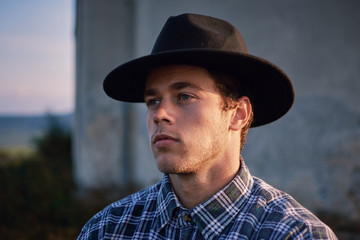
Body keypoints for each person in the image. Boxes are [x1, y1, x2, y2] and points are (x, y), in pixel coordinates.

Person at [77, 13, 337, 239]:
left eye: (185, 96)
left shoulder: (295, 234)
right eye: (153, 100)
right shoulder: (107, 229)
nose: (160, 114)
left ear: (238, 114)